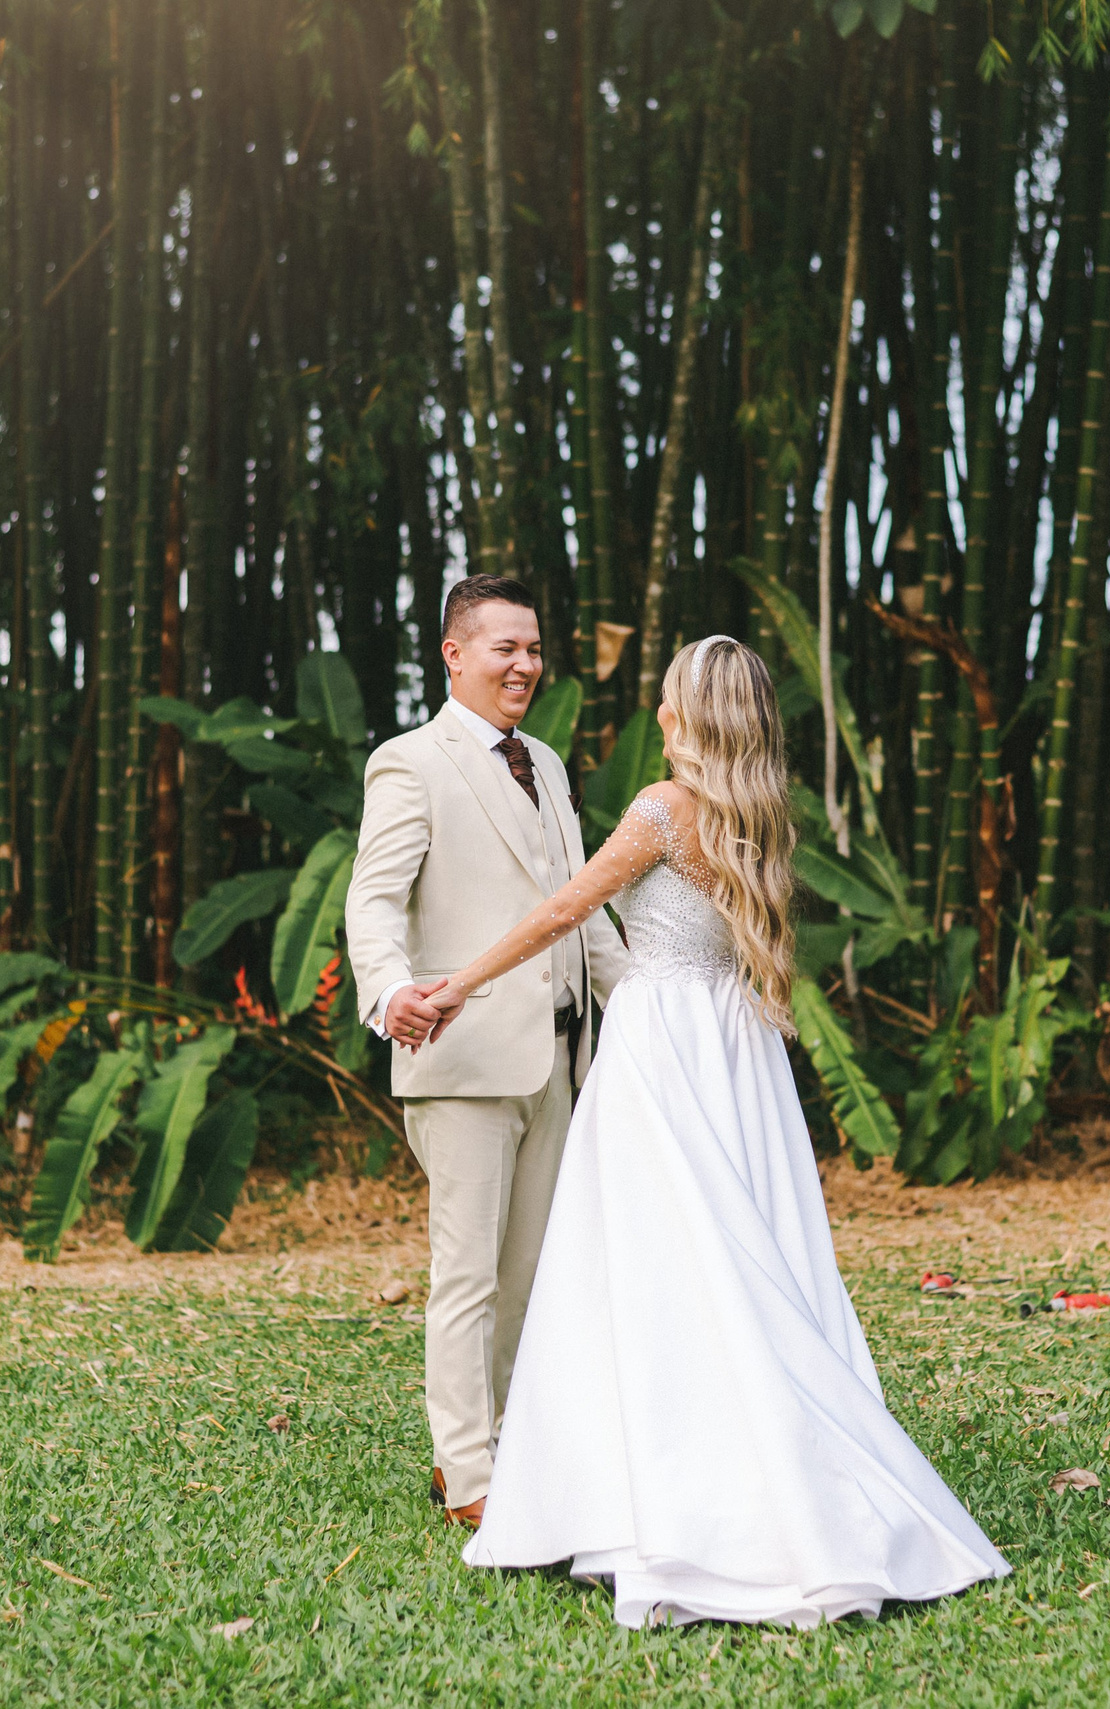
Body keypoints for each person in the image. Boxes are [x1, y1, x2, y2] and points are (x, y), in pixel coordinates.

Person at [411, 634, 1009, 1629]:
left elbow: (566, 907)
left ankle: (671, 1494)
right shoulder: (757, 812)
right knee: (742, 1256)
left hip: (660, 1046)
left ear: (683, 710)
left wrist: (455, 985)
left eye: (664, 695)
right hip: (739, 1045)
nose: (654, 708)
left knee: (654, 1264)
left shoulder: (660, 806)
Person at [342, 576, 628, 1530]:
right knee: (464, 1275)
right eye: (505, 647)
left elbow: (574, 905)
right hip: (462, 1059)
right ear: (454, 654)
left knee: (527, 1275)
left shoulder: (544, 761)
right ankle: (467, 1474)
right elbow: (374, 902)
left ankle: (503, 1440)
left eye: (536, 648)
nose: (526, 666)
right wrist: (389, 994)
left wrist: (642, 1007)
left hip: (557, 1059)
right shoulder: (408, 762)